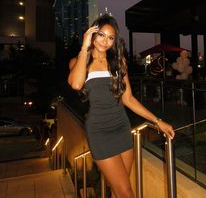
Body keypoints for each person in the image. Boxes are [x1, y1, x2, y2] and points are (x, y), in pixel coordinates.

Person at [68, 14, 175, 198]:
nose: (105, 41)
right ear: (92, 34)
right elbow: (76, 84)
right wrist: (84, 47)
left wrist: (157, 121)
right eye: (101, 35)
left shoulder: (118, 62)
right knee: (126, 193)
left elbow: (129, 99)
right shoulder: (79, 61)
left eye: (111, 38)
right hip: (99, 131)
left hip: (121, 127)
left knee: (119, 190)